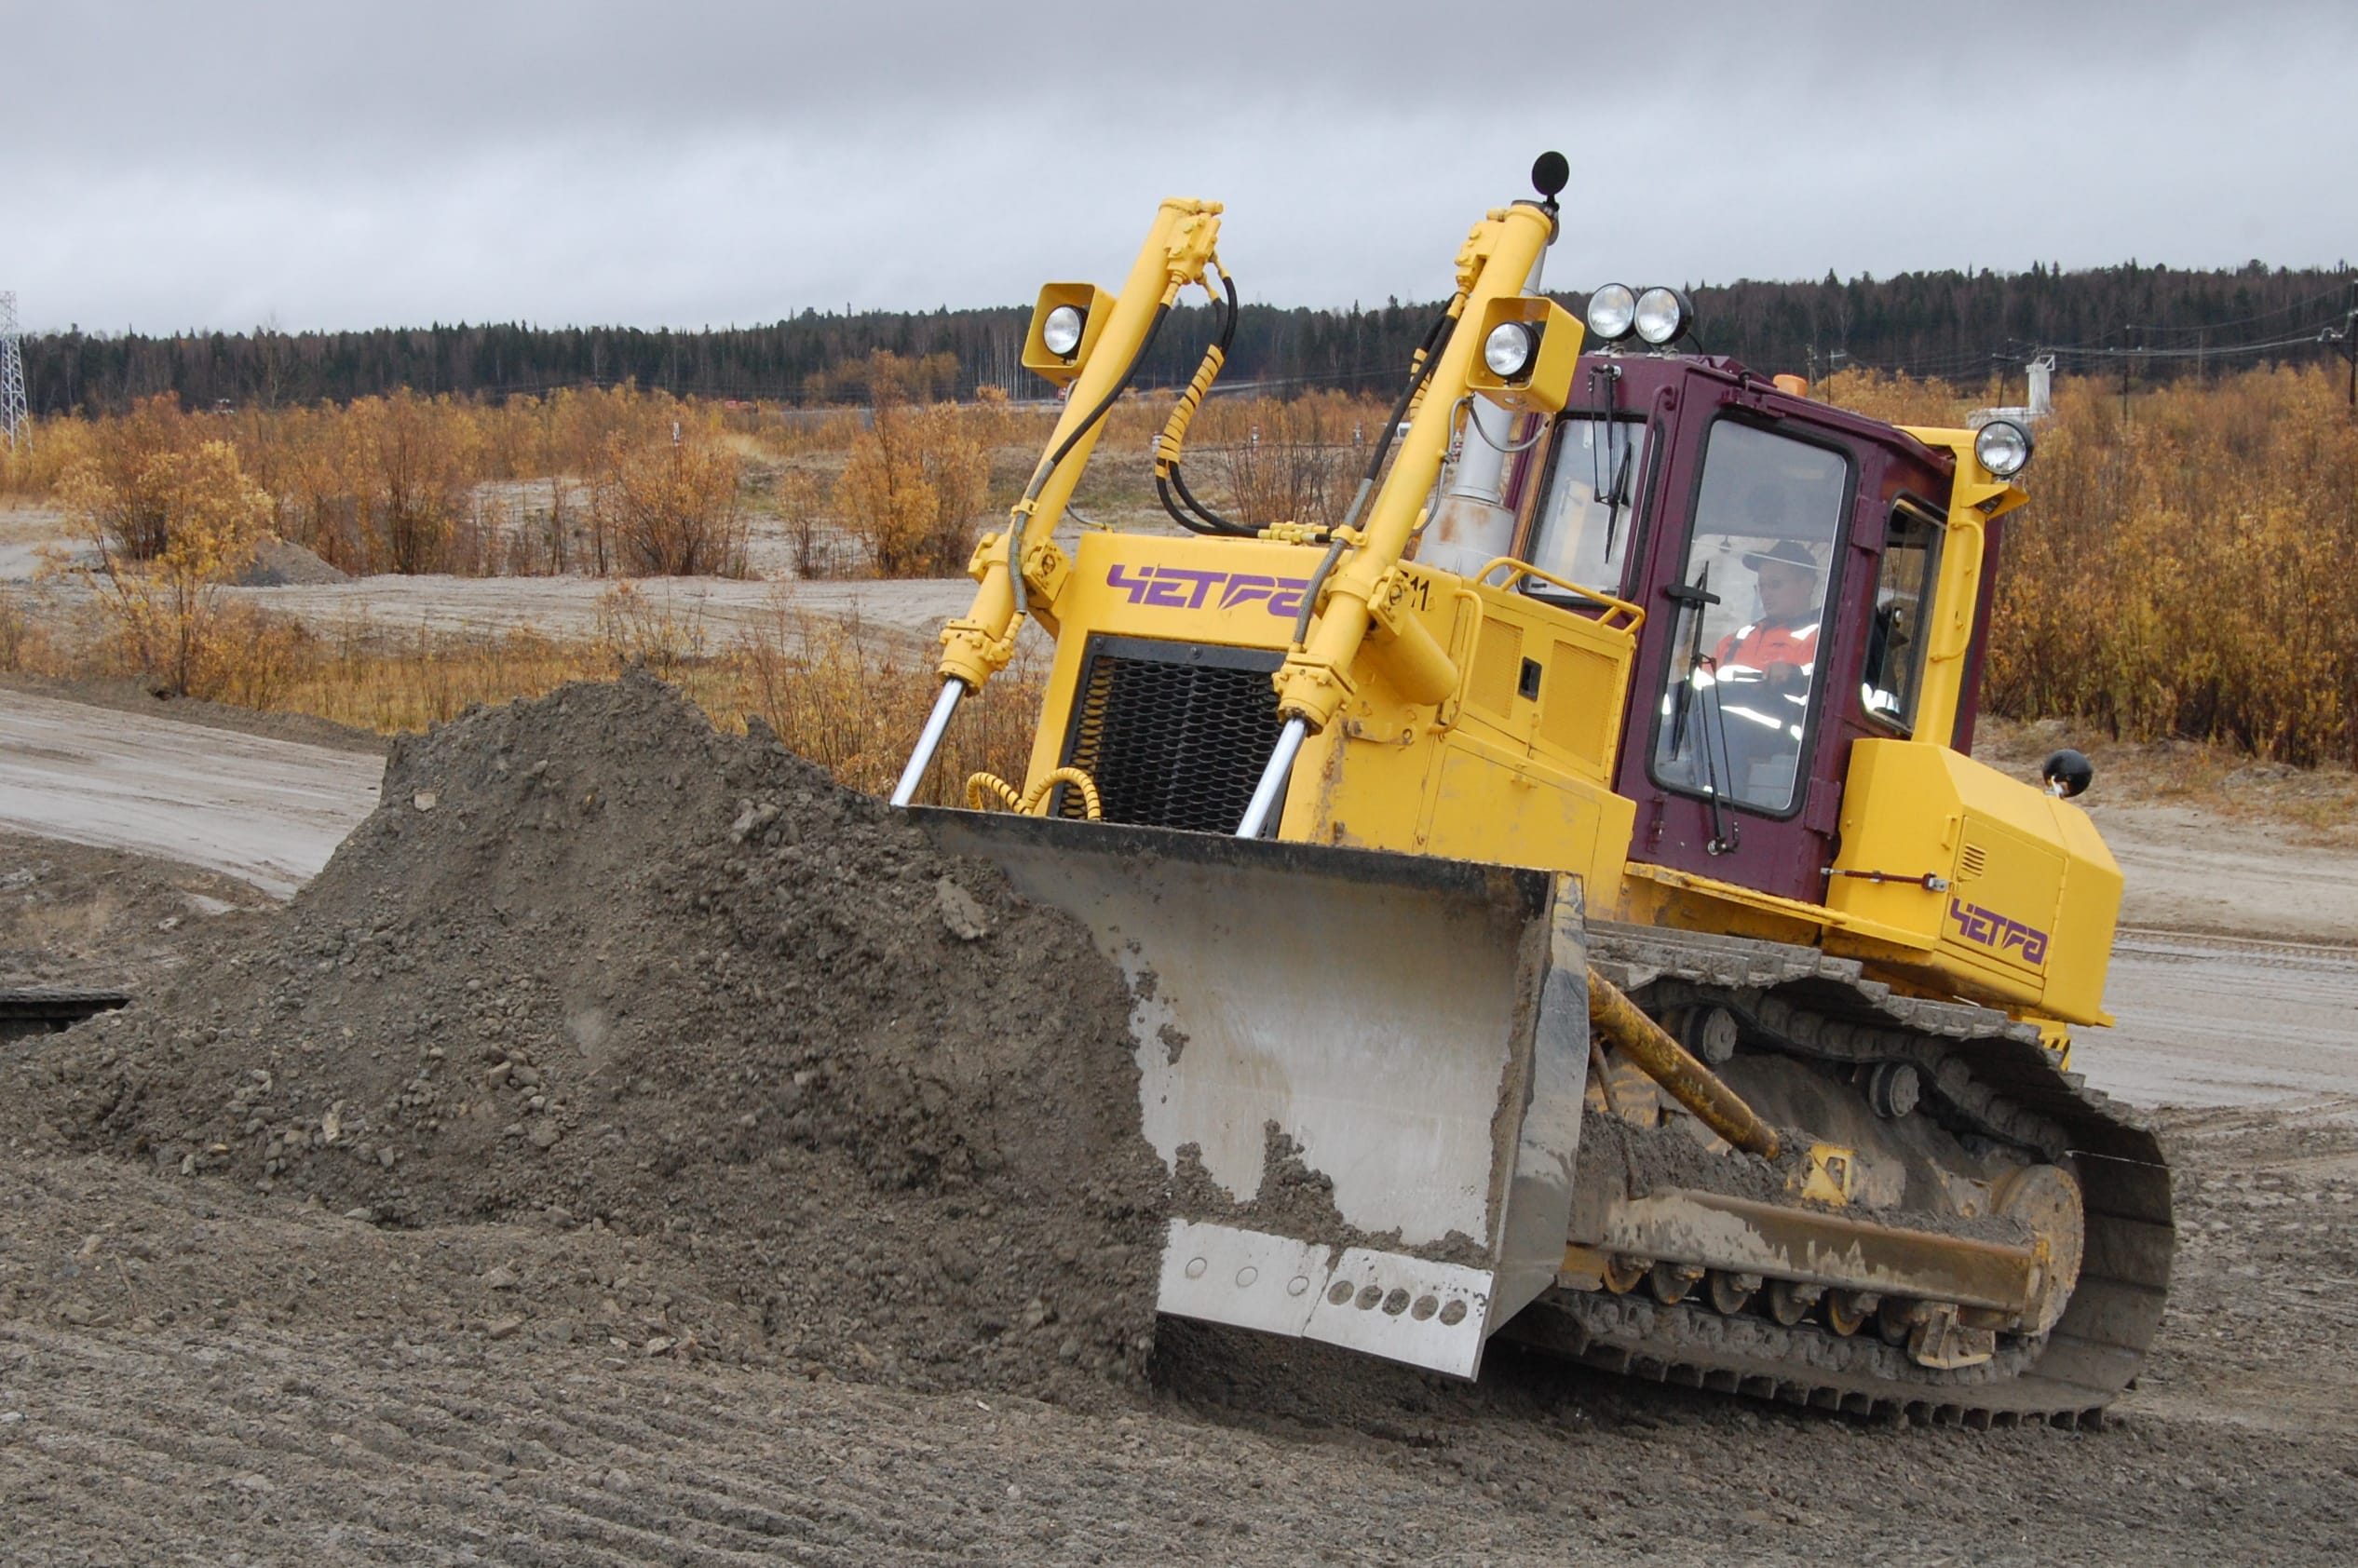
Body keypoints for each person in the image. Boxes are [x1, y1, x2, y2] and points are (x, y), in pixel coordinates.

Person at [1715, 539, 1823, 697]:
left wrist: (1793, 676)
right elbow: (1694, 692)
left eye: (1775, 584)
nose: (1765, 594)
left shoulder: (1825, 642)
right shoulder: (1732, 642)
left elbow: (1827, 688)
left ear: (1807, 585)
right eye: (1761, 586)